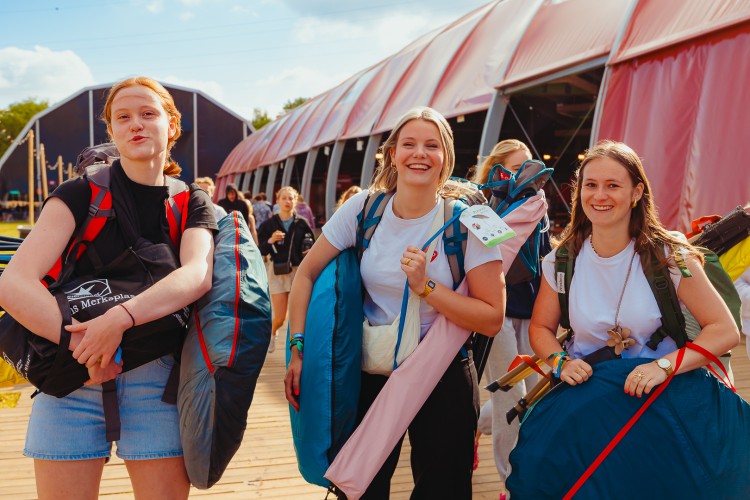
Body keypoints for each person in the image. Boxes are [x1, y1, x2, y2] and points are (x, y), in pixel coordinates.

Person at [0, 76, 216, 499]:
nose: (136, 123)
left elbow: (196, 274)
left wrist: (116, 322)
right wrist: (90, 346)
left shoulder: (191, 202)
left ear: (171, 125)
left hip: (157, 380)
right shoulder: (78, 195)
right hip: (71, 378)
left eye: (148, 113)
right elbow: (13, 284)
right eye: (123, 117)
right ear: (112, 131)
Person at [284, 107, 505, 499]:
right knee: (361, 488)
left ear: (445, 158)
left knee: (444, 490)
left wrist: (426, 288)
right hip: (371, 370)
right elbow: (305, 273)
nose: (419, 153)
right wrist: (297, 347)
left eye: (431, 145)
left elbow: (492, 318)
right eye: (409, 144)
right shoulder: (363, 209)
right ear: (391, 154)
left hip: (443, 373)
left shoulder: (475, 219)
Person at [507, 140, 744, 496]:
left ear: (637, 192)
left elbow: (724, 330)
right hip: (587, 409)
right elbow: (541, 328)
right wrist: (559, 362)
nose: (600, 195)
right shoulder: (562, 260)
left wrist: (662, 366)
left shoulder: (670, 255)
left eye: (613, 185)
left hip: (660, 405)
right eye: (591, 185)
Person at [470, 139, 548, 496]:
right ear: (498, 169)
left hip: (533, 314)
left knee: (531, 397)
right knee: (508, 400)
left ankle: (473, 425)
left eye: (528, 167)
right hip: (495, 313)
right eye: (516, 168)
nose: (523, 176)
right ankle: (510, 484)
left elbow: (546, 260)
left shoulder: (538, 205)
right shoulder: (480, 204)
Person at [258, 186, 314, 354]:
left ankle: (297, 348)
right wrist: (270, 240)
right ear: (277, 201)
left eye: (291, 198)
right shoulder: (269, 224)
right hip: (277, 272)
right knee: (281, 317)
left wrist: (310, 250)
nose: (288, 201)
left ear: (295, 201)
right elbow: (261, 250)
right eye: (284, 198)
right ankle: (272, 332)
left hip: (299, 272)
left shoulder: (302, 223)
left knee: (299, 314)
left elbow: (313, 243)